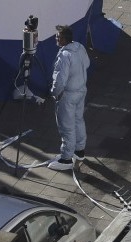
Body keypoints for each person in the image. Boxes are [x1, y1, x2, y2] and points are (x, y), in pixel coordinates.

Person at [47, 25, 90, 171]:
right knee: (78, 120)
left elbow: (60, 79)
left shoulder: (64, 56)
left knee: (67, 126)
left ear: (64, 39)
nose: (56, 38)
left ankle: (66, 159)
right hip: (81, 90)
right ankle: (79, 151)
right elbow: (87, 64)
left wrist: (54, 93)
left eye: (58, 37)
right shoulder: (80, 47)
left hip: (68, 95)